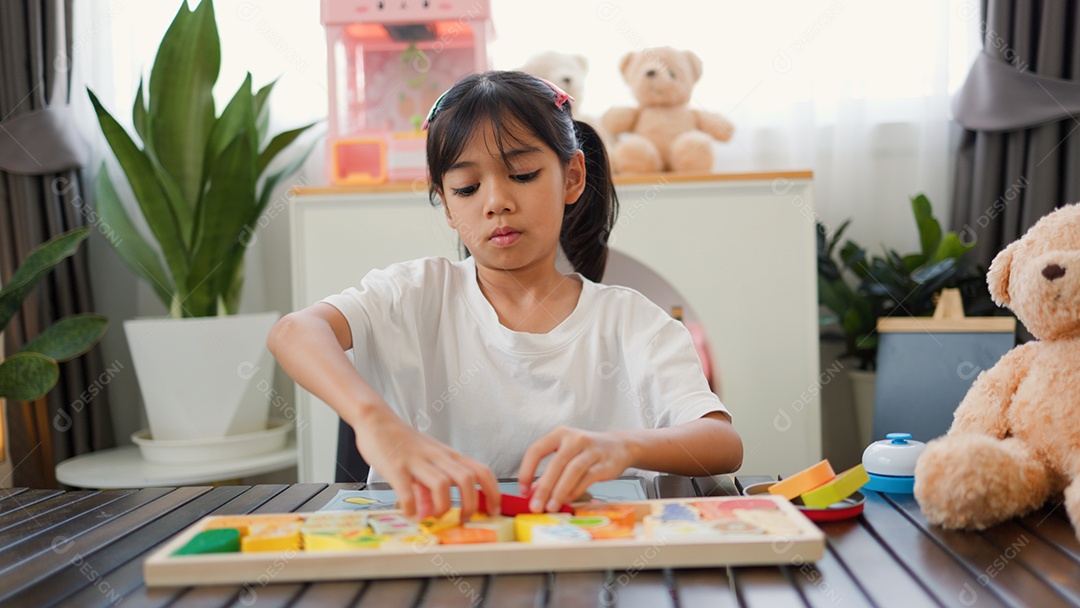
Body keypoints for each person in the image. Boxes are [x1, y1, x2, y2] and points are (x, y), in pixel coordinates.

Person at [268, 71, 742, 521]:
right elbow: (294, 332)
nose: (495, 202)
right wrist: (375, 424)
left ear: (572, 177)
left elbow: (722, 442)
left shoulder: (631, 320)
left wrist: (625, 447)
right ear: (447, 204)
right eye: (467, 187)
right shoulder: (413, 294)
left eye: (522, 174)